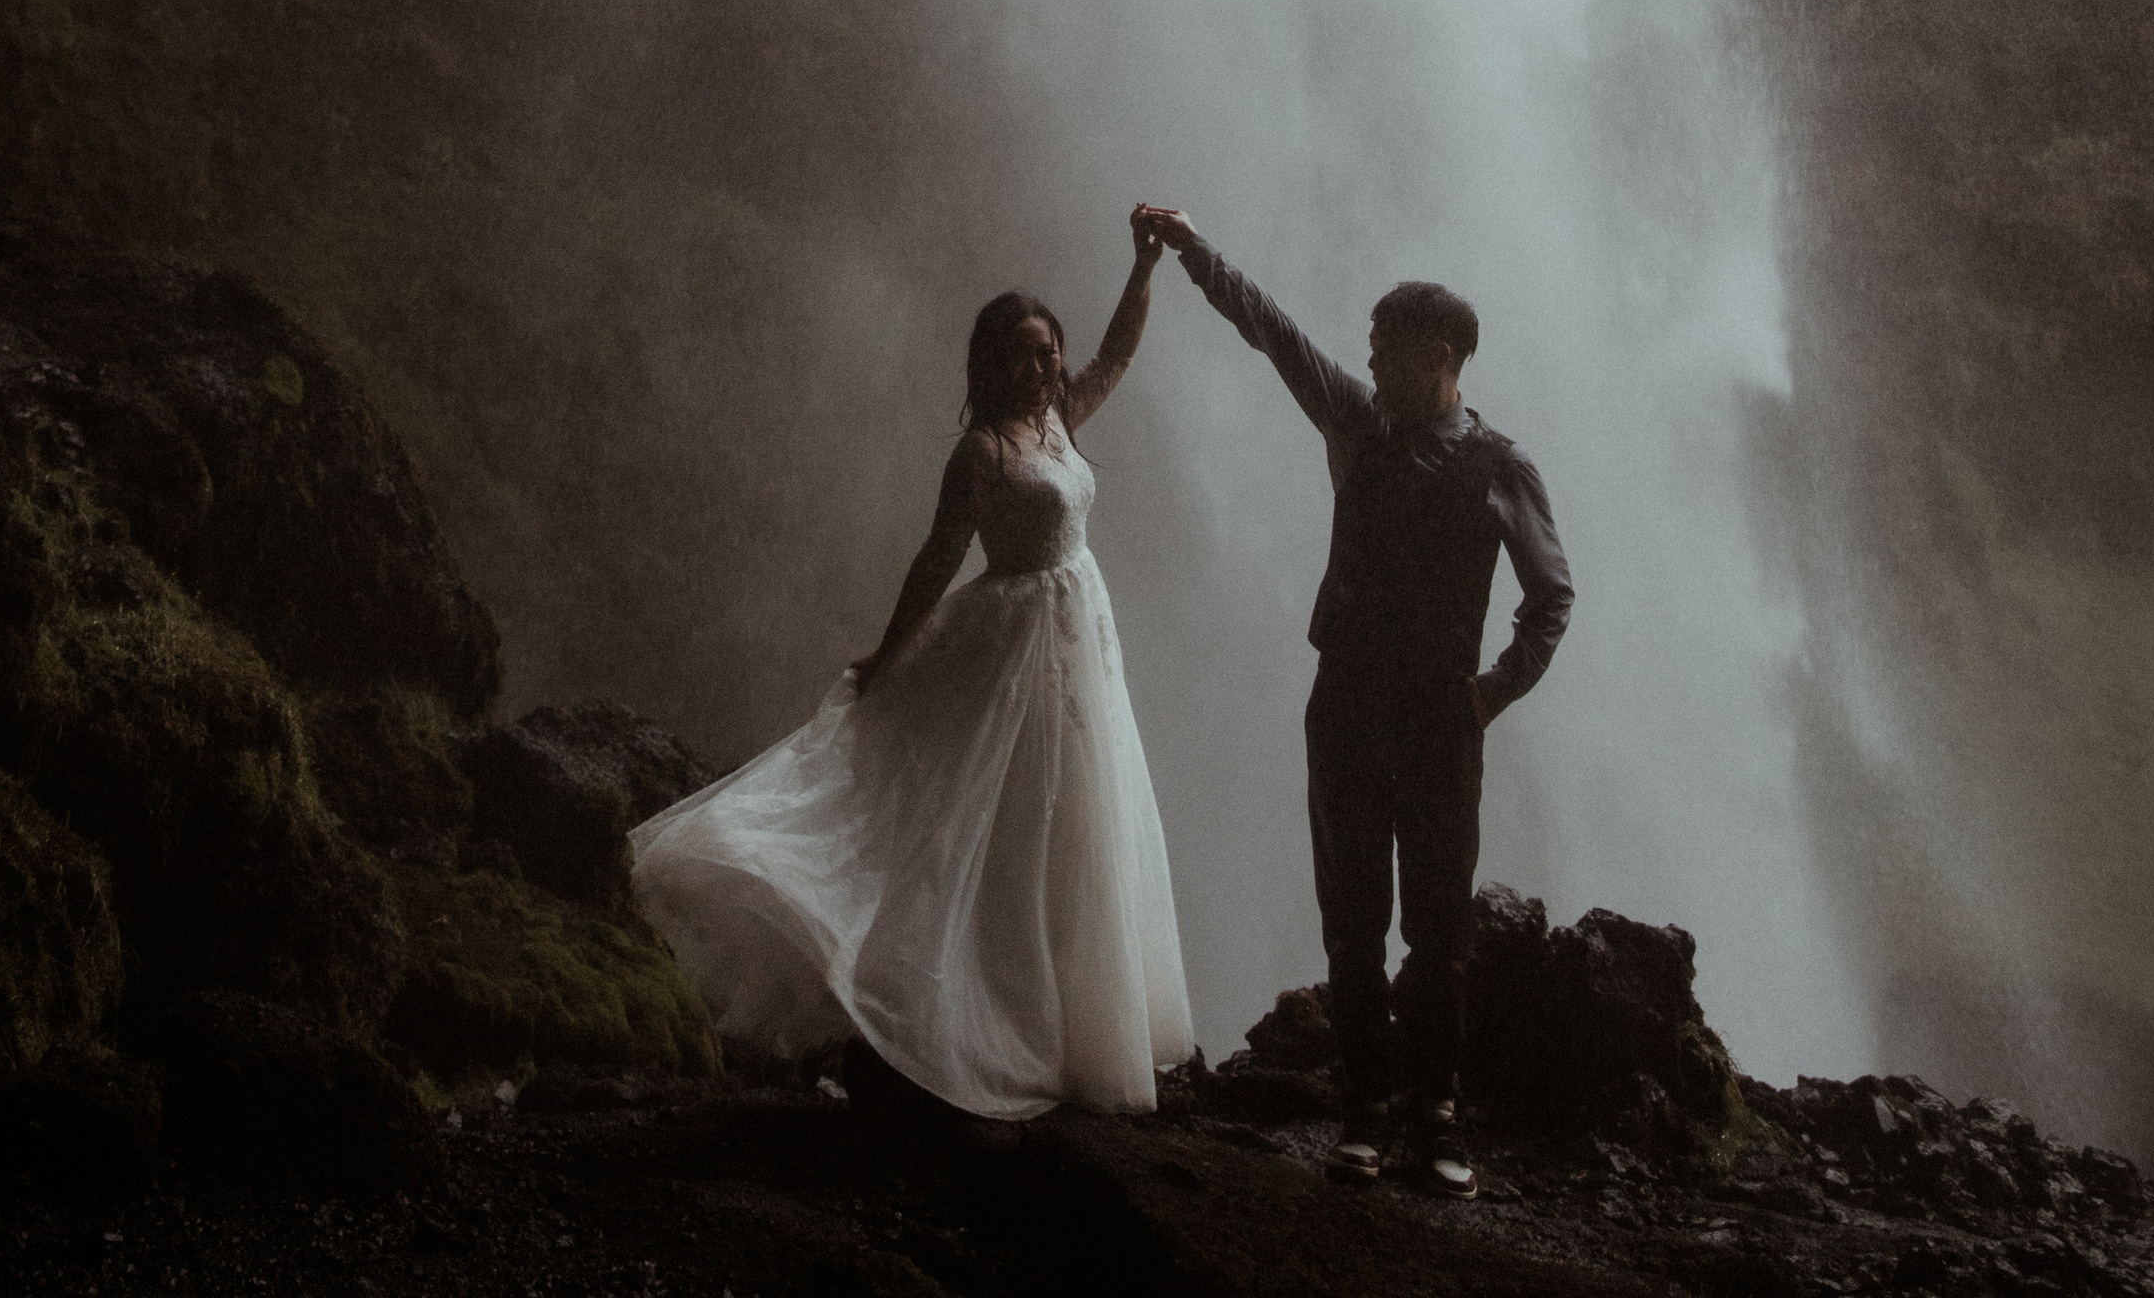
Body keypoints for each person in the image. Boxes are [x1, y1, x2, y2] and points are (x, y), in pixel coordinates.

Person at [627, 211, 1192, 1119]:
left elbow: (1118, 356)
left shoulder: (1057, 420)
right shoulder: (982, 452)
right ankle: (983, 1016)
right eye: (1020, 356)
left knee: (1075, 827)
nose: (1039, 369)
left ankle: (1069, 1024)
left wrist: (1143, 269)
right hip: (1014, 643)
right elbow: (937, 558)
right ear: (987, 365)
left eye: (1046, 353)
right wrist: (887, 656)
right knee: (988, 820)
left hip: (1081, 640)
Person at [1136, 205, 1572, 1197]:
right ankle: (1368, 1112)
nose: (1368, 363)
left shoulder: (1502, 466)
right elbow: (1274, 331)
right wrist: (1196, 253)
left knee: (1441, 932)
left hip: (1439, 719)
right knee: (1353, 925)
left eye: (1385, 350)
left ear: (1441, 353)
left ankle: (1437, 1116)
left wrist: (1491, 695)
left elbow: (1551, 596)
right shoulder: (1354, 420)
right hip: (1344, 706)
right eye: (1369, 349)